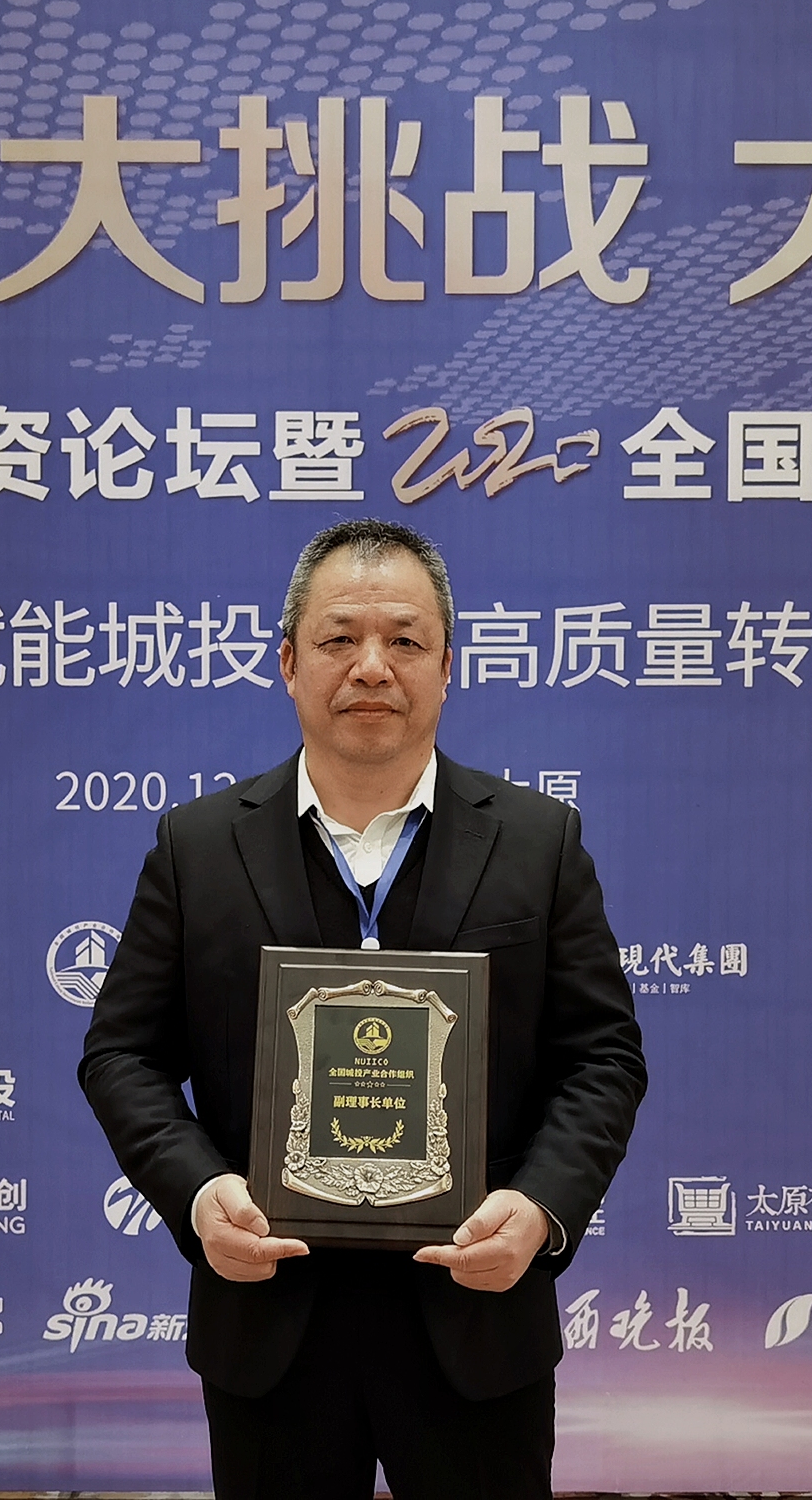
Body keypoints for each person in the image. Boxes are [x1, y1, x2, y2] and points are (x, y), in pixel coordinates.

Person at [79, 519, 647, 1500]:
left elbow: (603, 1055)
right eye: (339, 638)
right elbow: (121, 1052)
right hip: (269, 1325)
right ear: (288, 662)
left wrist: (540, 1208)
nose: (371, 666)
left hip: (477, 1320)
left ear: (447, 665)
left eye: (404, 639)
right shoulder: (196, 847)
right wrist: (200, 1193)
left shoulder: (539, 842)